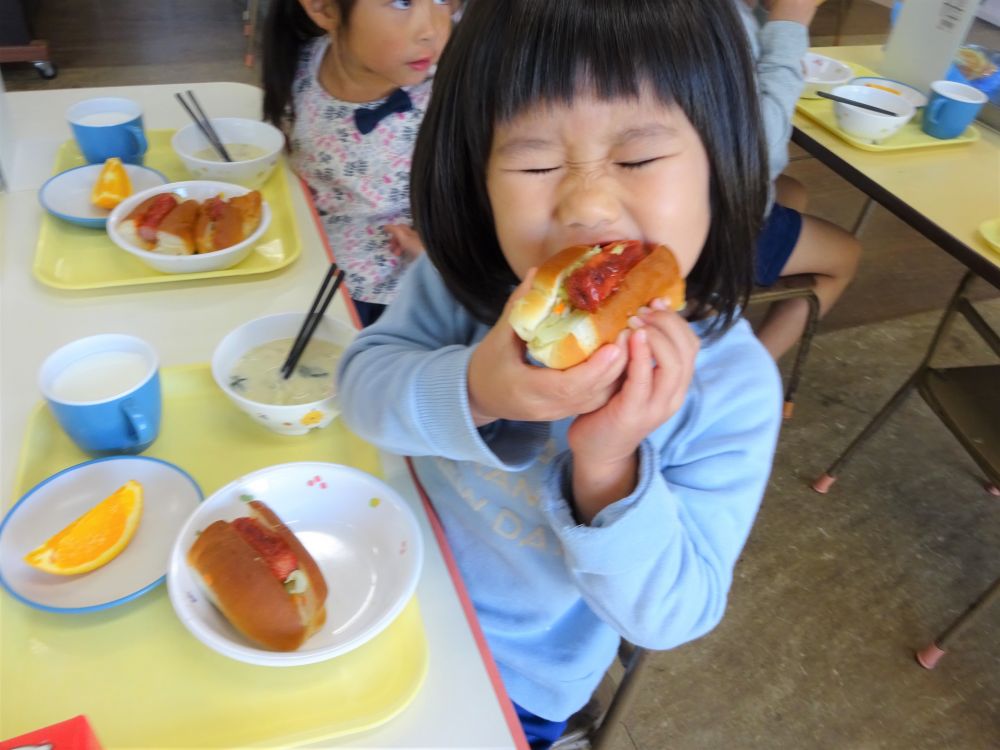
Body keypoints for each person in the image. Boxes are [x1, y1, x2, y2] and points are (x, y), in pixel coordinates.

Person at [336, 1, 784, 746]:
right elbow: (360, 393)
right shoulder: (461, 285)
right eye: (537, 162)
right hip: (378, 579)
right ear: (477, 175)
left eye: (638, 158)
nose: (587, 204)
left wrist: (607, 466)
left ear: (720, 160)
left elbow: (675, 615)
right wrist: (476, 389)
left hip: (513, 680)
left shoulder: (731, 385)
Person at [261, 0, 457, 326]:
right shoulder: (299, 67)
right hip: (304, 268)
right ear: (323, 8)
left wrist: (440, 254)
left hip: (407, 293)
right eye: (401, 2)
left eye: (442, 0)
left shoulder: (451, 93)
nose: (432, 30)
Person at [737, 0, 862, 359]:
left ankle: (722, 308)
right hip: (701, 226)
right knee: (847, 256)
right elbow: (760, 151)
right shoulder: (718, 22)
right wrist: (791, 20)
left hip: (675, 197)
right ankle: (748, 375)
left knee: (793, 191)